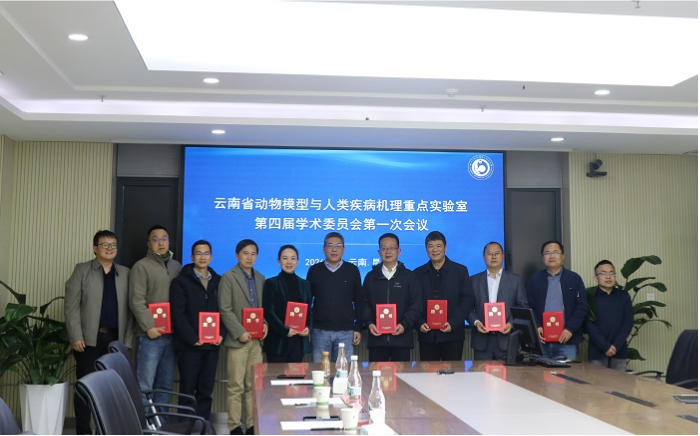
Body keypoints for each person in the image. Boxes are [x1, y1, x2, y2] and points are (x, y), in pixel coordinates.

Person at [65, 230, 134, 435]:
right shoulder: (82, 270)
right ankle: (84, 431)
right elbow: (71, 307)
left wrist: (127, 341)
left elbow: (131, 310)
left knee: (110, 389)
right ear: (95, 248)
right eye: (105, 245)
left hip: (115, 340)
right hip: (88, 340)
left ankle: (104, 430)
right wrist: (76, 335)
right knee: (85, 387)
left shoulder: (125, 273)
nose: (110, 248)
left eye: (113, 245)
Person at [129, 225, 181, 418]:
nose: (161, 243)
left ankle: (161, 426)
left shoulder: (176, 267)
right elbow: (136, 301)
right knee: (144, 386)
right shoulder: (141, 266)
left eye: (164, 238)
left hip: (172, 336)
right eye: (156, 239)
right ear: (149, 244)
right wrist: (149, 327)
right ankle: (145, 426)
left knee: (165, 386)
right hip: (149, 336)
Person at [170, 240, 223, 420]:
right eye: (198, 253)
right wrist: (192, 338)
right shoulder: (180, 282)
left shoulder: (219, 281)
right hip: (189, 346)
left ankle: (203, 427)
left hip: (212, 345)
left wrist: (221, 334)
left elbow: (225, 311)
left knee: (206, 391)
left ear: (211, 257)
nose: (202, 257)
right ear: (192, 257)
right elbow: (178, 314)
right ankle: (185, 427)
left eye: (206, 253)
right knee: (187, 391)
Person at [219, 239, 267, 436]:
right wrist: (240, 332)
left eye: (253, 254)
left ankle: (251, 424)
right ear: (237, 255)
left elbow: (263, 308)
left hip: (256, 341)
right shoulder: (228, 277)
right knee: (236, 386)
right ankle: (234, 426)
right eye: (245, 253)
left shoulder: (261, 278)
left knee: (253, 386)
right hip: (238, 341)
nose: (249, 257)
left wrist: (265, 324)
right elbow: (225, 309)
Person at [414, 231, 474, 361]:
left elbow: (467, 300)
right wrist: (419, 323)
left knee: (452, 372)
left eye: (438, 246)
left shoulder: (460, 271)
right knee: (428, 373)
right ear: (426, 248)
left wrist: (453, 323)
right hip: (427, 335)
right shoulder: (418, 273)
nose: (435, 250)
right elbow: (413, 302)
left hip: (453, 335)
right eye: (430, 246)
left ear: (445, 247)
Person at [362, 233, 422, 362]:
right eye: (384, 248)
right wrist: (369, 323)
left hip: (402, 340)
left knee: (401, 375)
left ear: (399, 251)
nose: (388, 251)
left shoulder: (409, 277)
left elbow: (416, 305)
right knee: (377, 374)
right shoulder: (370, 277)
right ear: (379, 252)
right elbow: (364, 304)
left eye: (392, 248)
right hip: (377, 339)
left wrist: (404, 324)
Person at [526, 241, 588, 360]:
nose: (551, 256)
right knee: (538, 372)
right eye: (547, 253)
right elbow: (528, 306)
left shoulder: (574, 279)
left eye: (555, 252)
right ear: (543, 257)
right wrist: (536, 326)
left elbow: (582, 308)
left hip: (567, 341)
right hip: (541, 341)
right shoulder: (535, 280)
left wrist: (570, 329)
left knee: (566, 372)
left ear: (563, 256)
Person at [306, 232, 363, 362]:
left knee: (343, 371)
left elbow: (359, 301)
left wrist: (358, 328)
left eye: (338, 246)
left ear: (343, 249)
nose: (334, 249)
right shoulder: (314, 270)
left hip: (346, 332)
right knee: (320, 371)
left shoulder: (352, 270)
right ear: (324, 248)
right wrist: (308, 327)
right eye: (330, 245)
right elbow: (308, 301)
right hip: (320, 332)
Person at [468, 242, 528, 360]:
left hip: (507, 339)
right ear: (483, 256)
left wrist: (511, 324)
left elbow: (523, 306)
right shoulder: (473, 280)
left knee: (508, 372)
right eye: (489, 253)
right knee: (481, 372)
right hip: (482, 341)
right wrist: (476, 322)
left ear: (503, 255)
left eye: (497, 253)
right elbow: (467, 307)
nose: (493, 256)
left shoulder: (515, 280)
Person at [263, 245, 312, 363]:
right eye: (285, 258)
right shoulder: (271, 283)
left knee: (296, 374)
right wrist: (285, 330)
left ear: (297, 261)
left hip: (298, 340)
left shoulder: (305, 284)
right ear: (278, 261)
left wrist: (308, 327)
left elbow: (309, 311)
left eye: (293, 258)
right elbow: (269, 312)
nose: (289, 262)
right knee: (276, 374)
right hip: (277, 342)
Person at [585, 260, 633, 371]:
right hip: (597, 351)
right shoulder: (590, 296)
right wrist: (605, 346)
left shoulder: (623, 296)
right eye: (603, 273)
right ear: (596, 278)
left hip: (619, 350)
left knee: (619, 381)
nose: (608, 277)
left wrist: (616, 346)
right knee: (598, 381)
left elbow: (628, 322)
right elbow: (588, 324)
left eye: (611, 273)